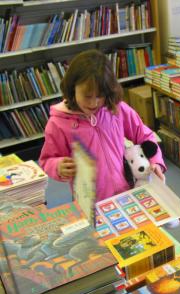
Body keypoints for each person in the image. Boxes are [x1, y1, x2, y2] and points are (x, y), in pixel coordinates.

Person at [39, 49, 166, 202]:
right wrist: (58, 167)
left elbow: (145, 135)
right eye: (87, 96)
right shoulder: (58, 123)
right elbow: (47, 159)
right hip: (90, 201)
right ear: (72, 89)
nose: (94, 103)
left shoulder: (116, 108)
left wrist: (156, 162)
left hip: (127, 190)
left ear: (109, 90)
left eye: (100, 95)